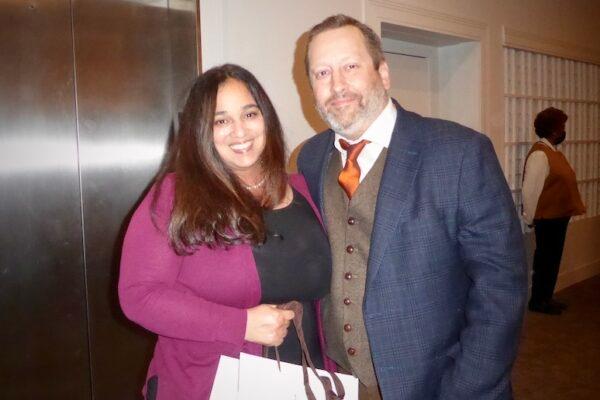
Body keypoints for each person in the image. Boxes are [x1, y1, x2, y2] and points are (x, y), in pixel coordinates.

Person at [297, 15, 528, 399]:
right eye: (322, 73)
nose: (337, 85)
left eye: (350, 66)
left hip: (438, 385)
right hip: (341, 382)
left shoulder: (459, 153)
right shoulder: (310, 157)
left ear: (383, 73)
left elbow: (501, 289)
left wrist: (464, 389)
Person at [118, 64, 333, 400]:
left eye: (249, 114)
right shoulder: (176, 195)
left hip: (307, 380)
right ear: (200, 130)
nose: (239, 131)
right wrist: (240, 324)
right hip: (208, 384)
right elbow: (139, 295)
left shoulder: (302, 188)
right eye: (221, 120)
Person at [522, 107, 585, 315]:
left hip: (558, 217)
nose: (563, 130)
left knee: (552, 259)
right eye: (562, 126)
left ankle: (546, 297)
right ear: (554, 130)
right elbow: (530, 190)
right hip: (547, 218)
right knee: (545, 260)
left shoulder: (553, 152)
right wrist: (529, 218)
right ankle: (538, 301)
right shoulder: (540, 154)